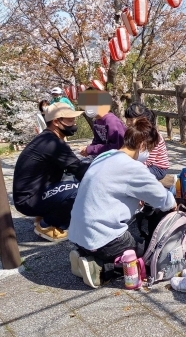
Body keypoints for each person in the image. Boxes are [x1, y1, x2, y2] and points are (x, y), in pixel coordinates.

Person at [68, 118, 176, 288]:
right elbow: (163, 199)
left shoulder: (105, 156)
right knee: (147, 251)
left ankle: (84, 253)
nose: (148, 154)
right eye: (149, 149)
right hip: (103, 238)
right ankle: (100, 267)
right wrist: (171, 203)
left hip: (78, 233)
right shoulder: (132, 167)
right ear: (142, 145)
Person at [13, 103, 88, 242]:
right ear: (56, 122)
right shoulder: (52, 144)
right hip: (29, 199)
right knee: (80, 190)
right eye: (70, 120)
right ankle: (47, 224)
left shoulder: (47, 138)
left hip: (32, 194)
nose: (74, 123)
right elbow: (79, 169)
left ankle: (44, 214)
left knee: (76, 182)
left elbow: (74, 167)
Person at [124, 103, 170, 180]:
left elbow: (149, 160)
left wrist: (134, 168)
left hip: (157, 168)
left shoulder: (153, 136)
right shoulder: (135, 133)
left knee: (134, 175)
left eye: (131, 120)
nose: (128, 123)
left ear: (143, 119)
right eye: (127, 119)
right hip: (142, 164)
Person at [79, 91, 126, 158]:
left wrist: (91, 149)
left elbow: (116, 146)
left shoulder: (112, 121)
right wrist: (88, 149)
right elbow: (97, 142)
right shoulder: (96, 122)